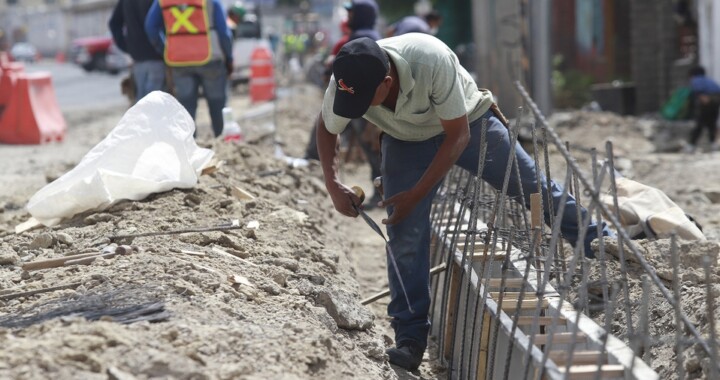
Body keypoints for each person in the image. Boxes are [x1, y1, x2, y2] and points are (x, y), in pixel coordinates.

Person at [314, 35, 613, 371]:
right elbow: (327, 128)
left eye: (368, 101)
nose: (363, 110)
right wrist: (333, 183)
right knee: (404, 233)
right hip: (405, 140)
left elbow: (457, 137)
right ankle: (410, 337)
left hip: (470, 124)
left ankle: (600, 241)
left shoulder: (430, 59)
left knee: (532, 187)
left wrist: (417, 194)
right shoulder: (349, 78)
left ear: (387, 82)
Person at [145, 0, 233, 138]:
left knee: (186, 110)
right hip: (211, 59)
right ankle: (223, 144)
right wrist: (229, 58)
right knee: (217, 105)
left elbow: (150, 27)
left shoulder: (162, 1)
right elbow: (224, 33)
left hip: (179, 61)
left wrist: (165, 49)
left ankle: (190, 149)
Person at [108, 0, 166, 103]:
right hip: (157, 58)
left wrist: (127, 47)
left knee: (142, 104)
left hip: (138, 58)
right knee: (156, 104)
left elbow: (114, 23)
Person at [685, 65, 720, 152]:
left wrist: (705, 102)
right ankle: (713, 144)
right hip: (716, 101)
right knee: (712, 124)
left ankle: (691, 145)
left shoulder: (696, 80)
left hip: (708, 102)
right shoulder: (709, 80)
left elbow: (700, 93)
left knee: (700, 124)